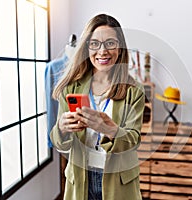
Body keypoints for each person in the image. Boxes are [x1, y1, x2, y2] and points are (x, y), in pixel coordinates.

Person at [50, 14, 145, 200]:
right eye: (95, 44)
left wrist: (108, 129)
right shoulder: (71, 87)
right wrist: (61, 128)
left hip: (118, 181)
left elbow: (133, 140)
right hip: (80, 178)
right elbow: (60, 143)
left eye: (110, 43)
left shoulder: (134, 90)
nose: (102, 52)